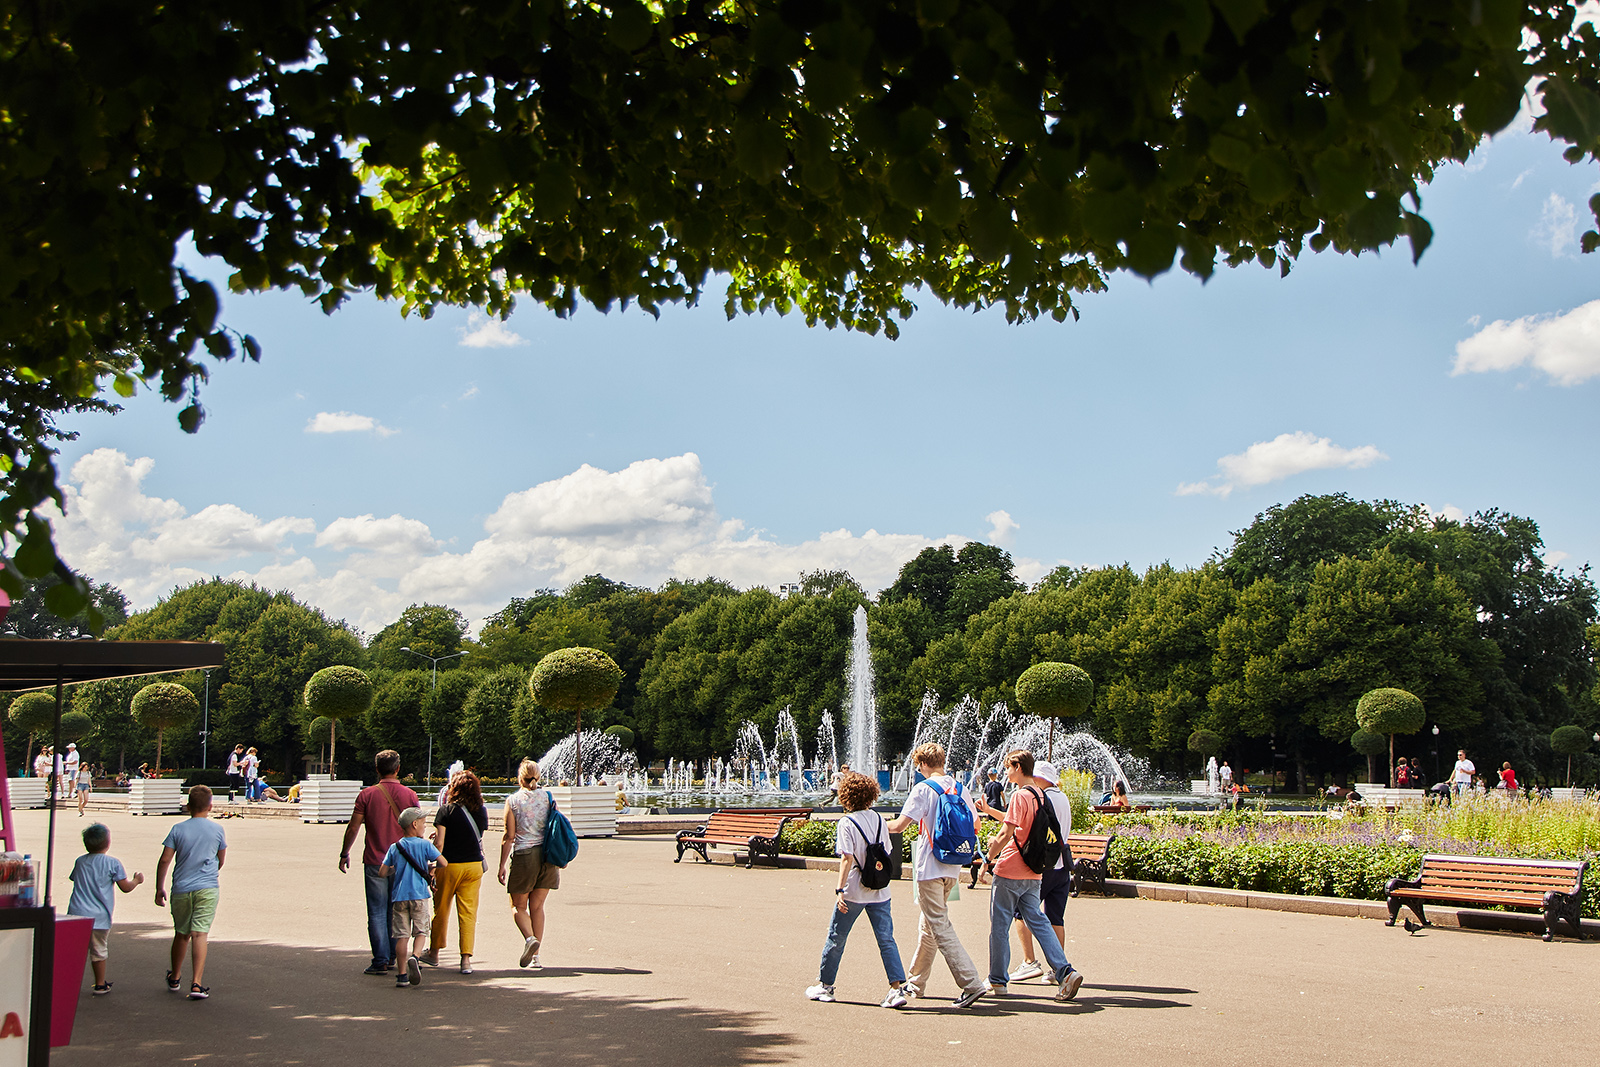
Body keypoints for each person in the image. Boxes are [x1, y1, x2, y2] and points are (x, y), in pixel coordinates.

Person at [884, 742, 988, 1010]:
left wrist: (871, 825)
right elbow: (975, 824)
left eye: (918, 765)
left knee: (939, 925)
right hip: (953, 865)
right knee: (929, 925)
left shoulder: (923, 789)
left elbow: (898, 826)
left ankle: (971, 982)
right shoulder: (960, 788)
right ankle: (916, 982)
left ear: (922, 764)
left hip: (929, 867)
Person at [980, 749, 1084, 1002]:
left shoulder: (1020, 795)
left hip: (1011, 868)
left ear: (1017, 766)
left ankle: (998, 981)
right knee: (1039, 921)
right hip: (1035, 870)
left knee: (1000, 925)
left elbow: (1006, 833)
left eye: (1008, 767)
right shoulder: (1041, 794)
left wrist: (988, 859)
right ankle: (1065, 971)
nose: (1006, 772)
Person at [805, 771, 907, 1008]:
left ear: (845, 795)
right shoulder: (880, 820)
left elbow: (846, 858)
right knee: (886, 939)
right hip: (880, 890)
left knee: (837, 936)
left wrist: (839, 889)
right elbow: (887, 852)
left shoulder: (846, 823)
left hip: (853, 890)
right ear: (871, 794)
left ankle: (826, 986)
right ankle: (896, 989)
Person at [340, 750, 420, 976]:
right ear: (398, 769)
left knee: (376, 912)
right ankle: (396, 953)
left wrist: (345, 852)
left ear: (377, 769)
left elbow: (353, 827)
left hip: (375, 860)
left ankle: (380, 960)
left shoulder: (366, 795)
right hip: (403, 862)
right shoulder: (410, 795)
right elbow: (417, 831)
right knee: (399, 911)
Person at [154, 784, 227, 1000]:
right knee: (200, 933)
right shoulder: (217, 830)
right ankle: (196, 983)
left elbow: (165, 859)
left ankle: (175, 976)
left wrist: (160, 887)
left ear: (187, 806)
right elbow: (220, 859)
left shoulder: (178, 829)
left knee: (182, 933)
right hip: (207, 887)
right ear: (210, 806)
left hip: (182, 888)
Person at [1008, 761, 1073, 984]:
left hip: (1044, 864)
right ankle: (1058, 968)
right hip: (1063, 864)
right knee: (1056, 916)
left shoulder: (1043, 798)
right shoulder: (1062, 797)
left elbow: (1028, 827)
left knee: (1021, 910)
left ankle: (1029, 962)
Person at [68, 822, 144, 995]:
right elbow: (125, 887)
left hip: (77, 913)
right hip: (100, 916)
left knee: (75, 951)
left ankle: (69, 981)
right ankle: (100, 983)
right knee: (99, 950)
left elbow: (74, 878)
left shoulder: (80, 861)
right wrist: (136, 880)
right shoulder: (113, 863)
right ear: (107, 843)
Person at [425, 769, 489, 974]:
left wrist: (433, 863)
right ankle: (466, 961)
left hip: (449, 866)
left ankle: (434, 953)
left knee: (441, 910)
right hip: (473, 867)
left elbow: (441, 843)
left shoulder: (445, 810)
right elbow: (476, 837)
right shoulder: (481, 810)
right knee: (468, 914)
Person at [499, 758, 557, 969]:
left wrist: (502, 865)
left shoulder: (514, 801)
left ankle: (530, 939)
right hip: (548, 856)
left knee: (517, 906)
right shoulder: (548, 797)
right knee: (538, 907)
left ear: (519, 778)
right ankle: (536, 958)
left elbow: (509, 836)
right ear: (538, 777)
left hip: (525, 855)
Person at [379, 807, 445, 988]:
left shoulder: (395, 847)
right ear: (414, 825)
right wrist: (430, 867)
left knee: (401, 936)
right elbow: (443, 862)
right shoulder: (424, 845)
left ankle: (401, 975)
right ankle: (415, 957)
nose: (425, 827)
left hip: (399, 897)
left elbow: (382, 872)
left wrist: (395, 869)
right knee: (421, 931)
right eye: (423, 823)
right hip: (420, 895)